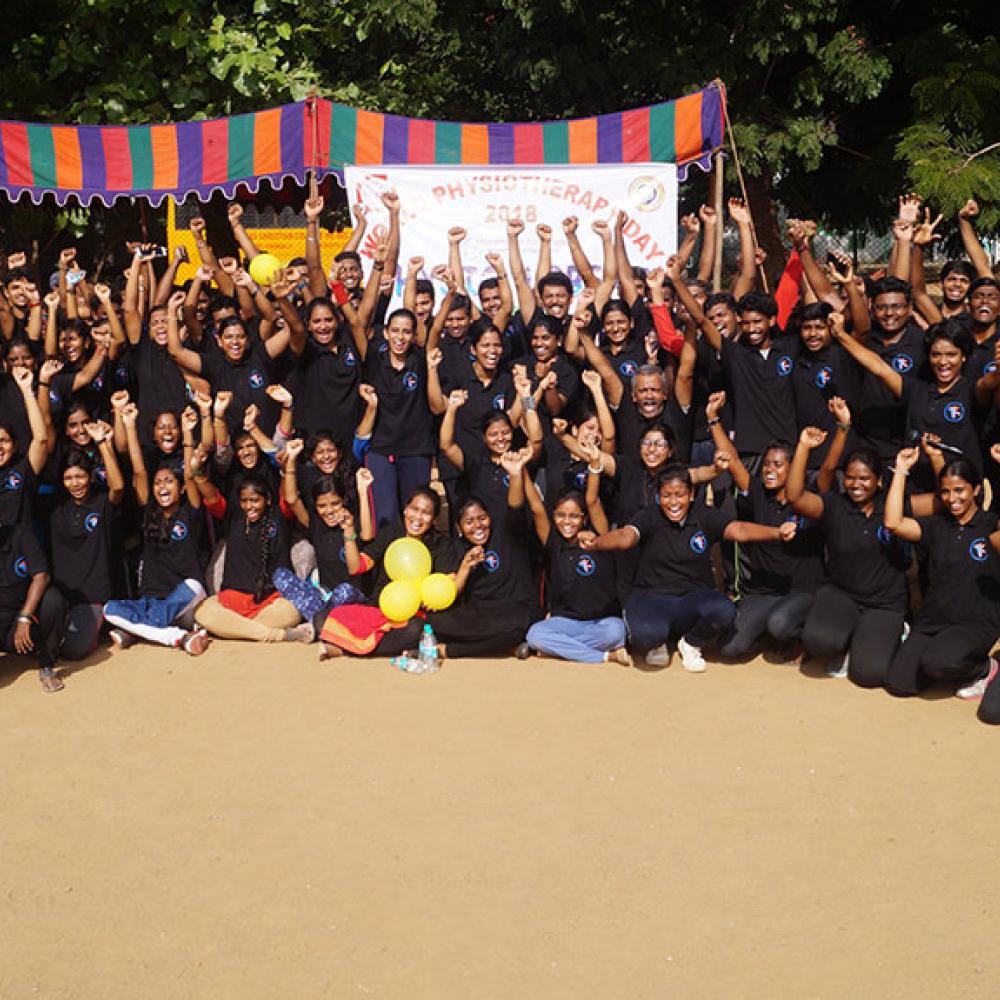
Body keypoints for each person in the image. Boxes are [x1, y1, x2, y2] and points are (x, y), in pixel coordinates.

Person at [582, 463, 797, 670]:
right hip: (652, 596)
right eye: (666, 495)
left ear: (691, 494)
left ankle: (691, 643)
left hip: (693, 597)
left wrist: (776, 532)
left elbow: (738, 530)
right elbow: (625, 537)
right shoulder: (649, 515)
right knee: (644, 634)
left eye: (680, 495)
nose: (673, 502)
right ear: (658, 496)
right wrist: (596, 543)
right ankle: (658, 644)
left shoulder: (704, 514)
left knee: (723, 610)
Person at [707, 391, 832, 662]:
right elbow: (732, 460)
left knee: (780, 624)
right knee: (729, 649)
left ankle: (801, 637)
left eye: (777, 464)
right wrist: (713, 419)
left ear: (793, 467)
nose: (769, 470)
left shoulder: (811, 499)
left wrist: (821, 439)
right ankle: (763, 630)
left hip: (803, 591)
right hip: (764, 592)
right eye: (765, 464)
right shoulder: (758, 492)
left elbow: (828, 470)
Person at [787, 430, 910, 686]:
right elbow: (795, 497)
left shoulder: (894, 505)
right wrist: (803, 447)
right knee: (819, 642)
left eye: (864, 478)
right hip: (842, 594)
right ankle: (849, 640)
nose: (855, 485)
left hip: (884, 602)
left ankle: (892, 632)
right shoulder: (834, 505)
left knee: (869, 674)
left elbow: (945, 502)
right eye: (850, 478)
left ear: (879, 481)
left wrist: (905, 469)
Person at [883, 449, 1000, 706]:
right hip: (933, 620)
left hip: (975, 623)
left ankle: (984, 668)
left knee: (937, 662)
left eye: (959, 490)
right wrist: (901, 470)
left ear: (976, 490)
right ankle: (944, 660)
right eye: (945, 492)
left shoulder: (990, 525)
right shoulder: (936, 525)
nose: (952, 498)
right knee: (899, 684)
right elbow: (893, 523)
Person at [521, 472, 630, 666]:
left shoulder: (598, 538)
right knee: (535, 634)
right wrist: (520, 469)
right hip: (567, 622)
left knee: (617, 632)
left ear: (584, 518)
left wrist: (595, 468)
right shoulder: (553, 541)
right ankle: (606, 656)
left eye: (574, 516)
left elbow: (593, 500)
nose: (567, 522)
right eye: (560, 515)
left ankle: (557, 648)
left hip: (601, 622)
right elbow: (536, 506)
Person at [192, 475, 313, 643]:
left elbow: (289, 497)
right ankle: (279, 635)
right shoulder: (234, 518)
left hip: (270, 603)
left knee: (291, 612)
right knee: (202, 611)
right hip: (232, 602)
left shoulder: (278, 519)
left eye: (255, 500)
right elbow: (212, 497)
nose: (249, 506)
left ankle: (232, 629)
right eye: (244, 501)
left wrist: (287, 468)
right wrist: (197, 471)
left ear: (268, 500)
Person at [48, 419, 125, 659]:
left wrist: (102, 442)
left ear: (90, 477)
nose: (75, 484)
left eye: (80, 477)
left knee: (73, 651)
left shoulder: (101, 503)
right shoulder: (54, 507)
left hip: (92, 598)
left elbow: (118, 487)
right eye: (69, 478)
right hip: (62, 598)